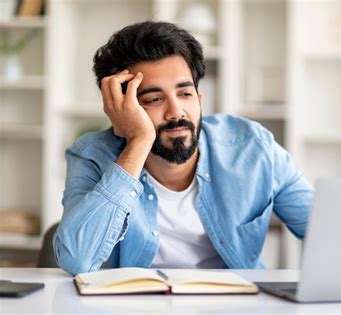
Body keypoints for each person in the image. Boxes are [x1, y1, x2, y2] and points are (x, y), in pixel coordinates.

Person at [53, 21, 314, 275]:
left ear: (200, 100)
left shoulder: (253, 148)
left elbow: (329, 234)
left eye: (185, 94)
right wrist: (138, 141)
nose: (176, 112)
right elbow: (77, 260)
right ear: (122, 110)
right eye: (154, 99)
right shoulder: (92, 155)